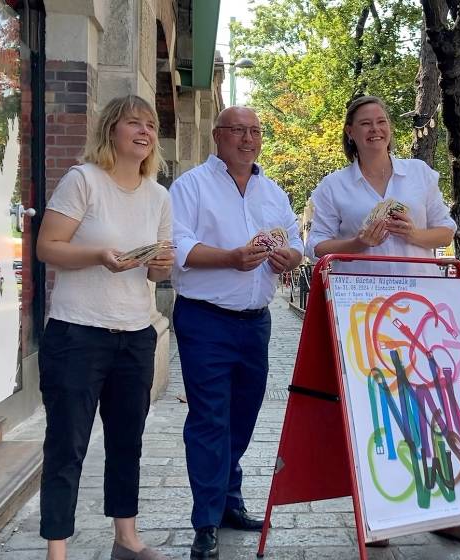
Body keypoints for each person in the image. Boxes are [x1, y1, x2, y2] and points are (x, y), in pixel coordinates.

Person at [305, 95, 460, 549]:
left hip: (423, 310)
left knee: (438, 406)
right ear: (350, 132)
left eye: (381, 121)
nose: (375, 129)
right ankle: (382, 512)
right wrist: (358, 241)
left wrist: (414, 234)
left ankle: (450, 510)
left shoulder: (418, 175)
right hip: (361, 314)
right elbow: (318, 248)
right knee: (377, 411)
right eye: (364, 123)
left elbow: (446, 230)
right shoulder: (333, 186)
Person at [36, 95, 174, 560]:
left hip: (135, 334)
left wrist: (159, 264)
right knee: (66, 444)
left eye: (151, 125)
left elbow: (158, 274)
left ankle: (126, 538)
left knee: (126, 443)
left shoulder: (159, 195)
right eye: (134, 122)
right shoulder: (83, 181)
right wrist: (98, 255)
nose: (145, 131)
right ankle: (58, 549)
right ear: (111, 129)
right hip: (77, 333)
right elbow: (48, 247)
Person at [170, 106, 304, 559]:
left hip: (256, 322)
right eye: (238, 131)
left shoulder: (272, 191)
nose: (248, 139)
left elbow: (295, 240)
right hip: (205, 319)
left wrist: (290, 257)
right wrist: (229, 257)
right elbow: (178, 245)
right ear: (218, 136)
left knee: (243, 417)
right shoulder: (191, 186)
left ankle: (227, 501)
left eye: (255, 131)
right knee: (209, 419)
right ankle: (206, 520)